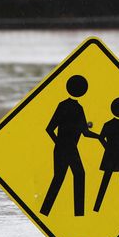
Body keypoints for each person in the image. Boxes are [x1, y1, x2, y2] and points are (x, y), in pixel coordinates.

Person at [40, 75, 101, 217]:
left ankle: (45, 211)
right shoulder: (78, 108)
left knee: (60, 178)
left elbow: (50, 129)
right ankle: (78, 213)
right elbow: (85, 133)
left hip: (62, 148)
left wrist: (59, 143)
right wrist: (99, 137)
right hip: (70, 148)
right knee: (78, 175)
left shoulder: (62, 105)